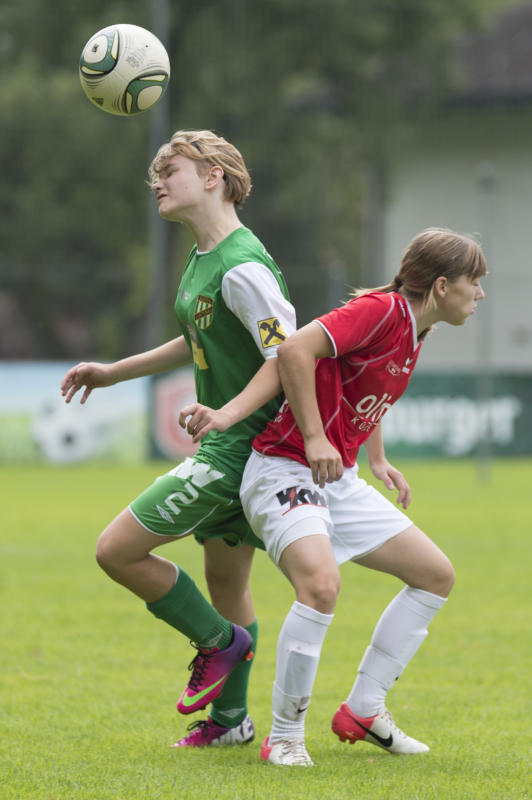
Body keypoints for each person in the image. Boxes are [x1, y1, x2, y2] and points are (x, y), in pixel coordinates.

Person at [182, 227, 486, 766]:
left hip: (334, 478)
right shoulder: (382, 310)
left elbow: (365, 388)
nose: (480, 293)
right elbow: (294, 348)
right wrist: (315, 435)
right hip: (283, 466)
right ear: (442, 285)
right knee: (321, 586)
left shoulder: (415, 329)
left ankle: (365, 710)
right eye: (474, 281)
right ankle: (284, 737)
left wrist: (377, 459)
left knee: (435, 575)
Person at [60, 129, 296, 747]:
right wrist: (114, 372)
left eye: (171, 171)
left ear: (214, 177)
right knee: (227, 584)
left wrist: (228, 415)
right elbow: (197, 338)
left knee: (116, 550)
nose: (158, 182)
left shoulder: (242, 265)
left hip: (239, 448)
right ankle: (231, 722)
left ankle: (219, 642)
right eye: (156, 174)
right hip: (239, 444)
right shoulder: (203, 259)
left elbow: (290, 355)